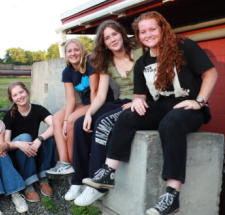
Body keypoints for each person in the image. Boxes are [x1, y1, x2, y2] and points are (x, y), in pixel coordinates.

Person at [86, 11, 218, 215]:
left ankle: (172, 196)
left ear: (162, 29)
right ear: (138, 36)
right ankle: (108, 172)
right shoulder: (142, 62)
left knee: (171, 123)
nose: (147, 35)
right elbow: (139, 94)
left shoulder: (185, 47)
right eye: (143, 32)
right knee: (128, 114)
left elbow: (210, 73)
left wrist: (199, 101)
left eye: (152, 29)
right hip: (162, 106)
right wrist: (137, 102)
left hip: (190, 106)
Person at [65, 20, 143, 206]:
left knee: (103, 123)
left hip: (141, 101)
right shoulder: (107, 61)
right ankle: (79, 179)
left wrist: (139, 99)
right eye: (107, 38)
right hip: (120, 101)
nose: (112, 39)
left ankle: (96, 185)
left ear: (122, 34)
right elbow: (100, 95)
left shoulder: (140, 52)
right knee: (80, 122)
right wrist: (90, 112)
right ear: (104, 43)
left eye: (114, 34)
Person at [46, 38, 114, 178]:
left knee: (71, 120)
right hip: (85, 103)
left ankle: (75, 165)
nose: (73, 53)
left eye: (76, 50)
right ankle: (64, 163)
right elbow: (71, 99)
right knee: (57, 118)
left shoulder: (90, 63)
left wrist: (90, 114)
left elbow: (95, 92)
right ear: (65, 54)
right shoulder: (67, 71)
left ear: (82, 51)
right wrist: (64, 122)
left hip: (100, 103)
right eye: (69, 51)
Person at [3, 81, 56, 202]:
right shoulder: (9, 115)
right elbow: (6, 143)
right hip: (18, 156)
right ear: (12, 99)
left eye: (21, 92)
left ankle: (43, 177)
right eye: (15, 95)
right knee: (26, 137)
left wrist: (40, 138)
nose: (19, 96)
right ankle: (28, 182)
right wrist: (19, 144)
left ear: (27, 92)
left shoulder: (38, 109)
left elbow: (56, 125)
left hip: (33, 151)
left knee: (51, 137)